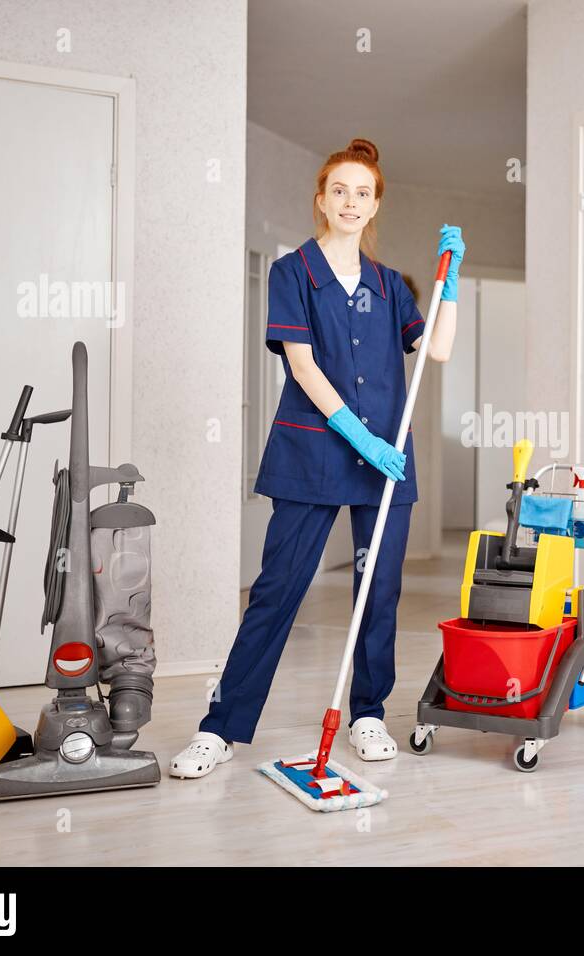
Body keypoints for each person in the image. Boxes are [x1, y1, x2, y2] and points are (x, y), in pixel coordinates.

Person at [170, 137, 465, 778]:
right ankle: (219, 727)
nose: (351, 201)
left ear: (374, 204)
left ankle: (368, 714)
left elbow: (435, 351)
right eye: (341, 190)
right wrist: (357, 435)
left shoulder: (390, 287)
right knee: (277, 591)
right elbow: (301, 365)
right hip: (314, 454)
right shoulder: (293, 273)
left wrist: (453, 282)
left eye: (364, 192)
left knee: (377, 593)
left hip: (385, 463)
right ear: (322, 201)